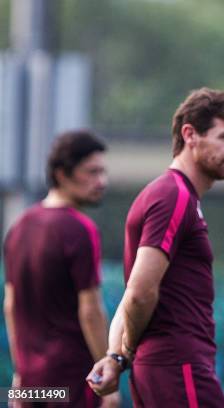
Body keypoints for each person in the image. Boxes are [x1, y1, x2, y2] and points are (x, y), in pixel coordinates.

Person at [87, 87, 224, 408]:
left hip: (171, 368)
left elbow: (134, 291)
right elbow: (140, 292)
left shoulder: (173, 195)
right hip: (178, 366)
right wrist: (125, 353)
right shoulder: (174, 196)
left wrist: (115, 357)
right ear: (190, 134)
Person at [3, 130, 119, 407]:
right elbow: (90, 309)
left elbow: (10, 305)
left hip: (31, 382)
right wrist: (107, 378)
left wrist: (21, 374)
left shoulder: (19, 227)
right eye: (91, 172)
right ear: (62, 174)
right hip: (74, 379)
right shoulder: (80, 229)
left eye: (103, 172)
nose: (101, 181)